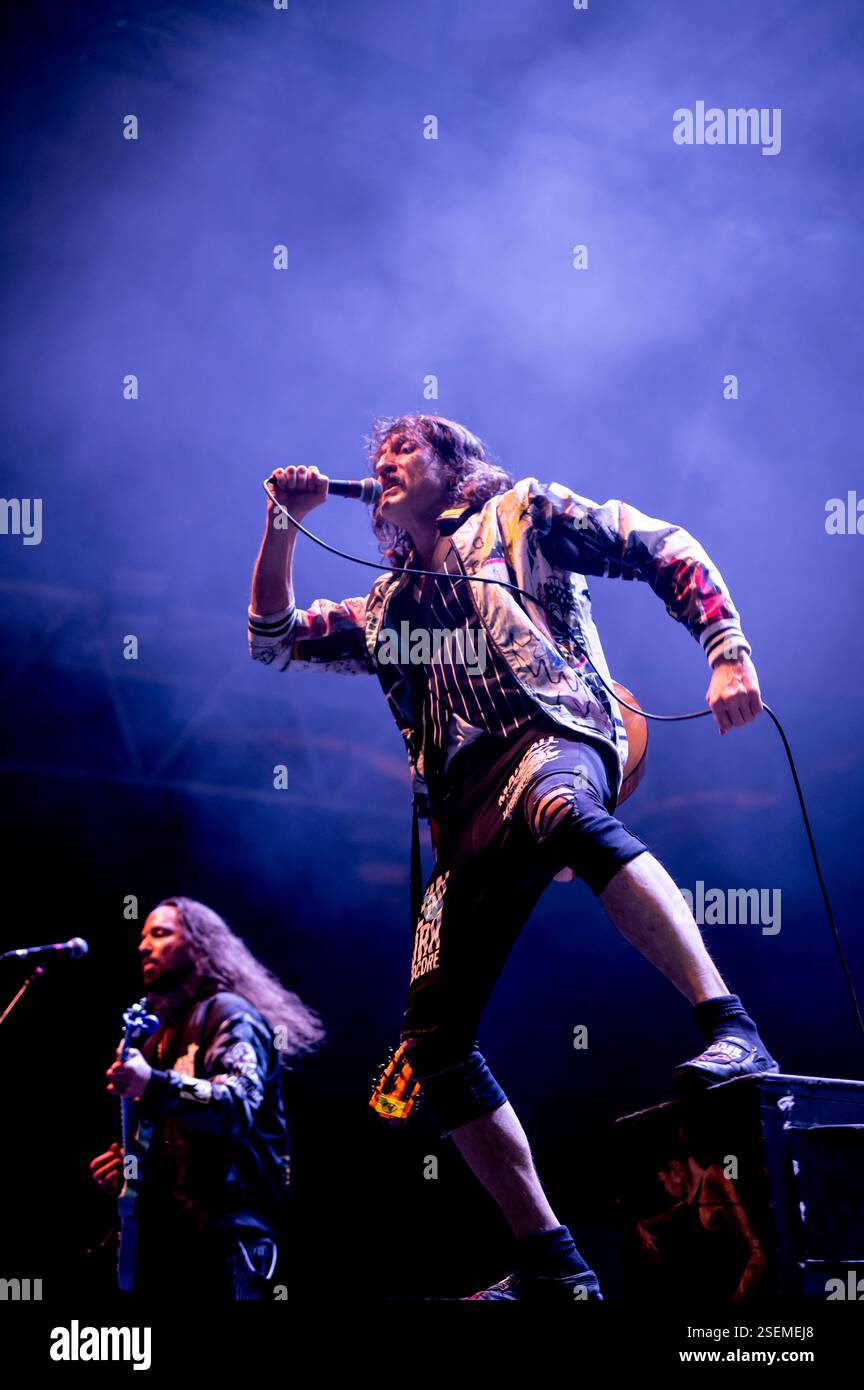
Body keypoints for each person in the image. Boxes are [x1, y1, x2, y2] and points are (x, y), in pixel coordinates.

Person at [247, 413, 779, 1301]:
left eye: (404, 450)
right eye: (376, 459)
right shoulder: (384, 605)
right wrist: (279, 525)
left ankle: (733, 1029)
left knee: (560, 809)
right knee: (433, 1047)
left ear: (455, 466)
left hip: (555, 732)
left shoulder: (522, 514)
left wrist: (726, 649)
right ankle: (553, 1265)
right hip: (465, 811)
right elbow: (271, 640)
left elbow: (660, 544)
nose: (382, 464)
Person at [89, 896, 324, 1298]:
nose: (143, 945)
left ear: (200, 945)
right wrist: (130, 1169)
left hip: (228, 1241)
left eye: (160, 934)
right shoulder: (158, 1038)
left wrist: (153, 1084)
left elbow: (236, 1104)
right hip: (172, 1244)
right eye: (143, 936)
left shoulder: (230, 1014)